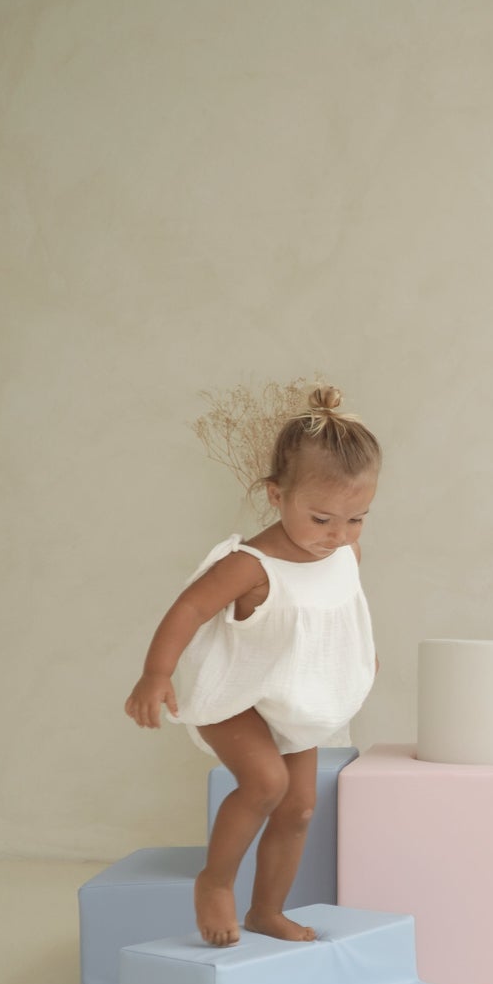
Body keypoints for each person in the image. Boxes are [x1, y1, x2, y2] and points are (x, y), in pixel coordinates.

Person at [124, 386, 380, 947]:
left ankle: (267, 911)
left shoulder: (343, 554)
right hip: (233, 695)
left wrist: (359, 655)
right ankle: (215, 882)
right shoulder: (251, 564)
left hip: (289, 696)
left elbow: (341, 608)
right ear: (276, 494)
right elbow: (190, 608)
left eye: (357, 519)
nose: (338, 535)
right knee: (266, 783)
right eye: (322, 518)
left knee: (300, 808)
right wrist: (156, 673)